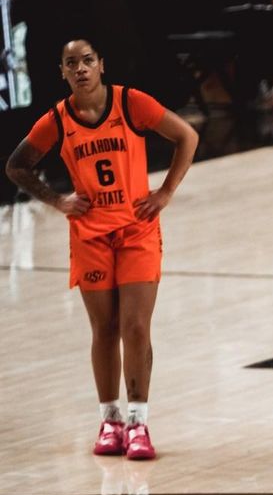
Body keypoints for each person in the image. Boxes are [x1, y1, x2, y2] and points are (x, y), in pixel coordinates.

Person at [4, 38, 199, 460]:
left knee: (136, 328)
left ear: (101, 65)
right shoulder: (57, 119)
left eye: (87, 61)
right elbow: (17, 165)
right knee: (105, 329)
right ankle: (110, 419)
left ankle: (138, 422)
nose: (80, 69)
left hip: (136, 230)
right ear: (61, 72)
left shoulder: (131, 103)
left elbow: (187, 136)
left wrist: (165, 192)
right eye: (71, 63)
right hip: (90, 234)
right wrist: (58, 201)